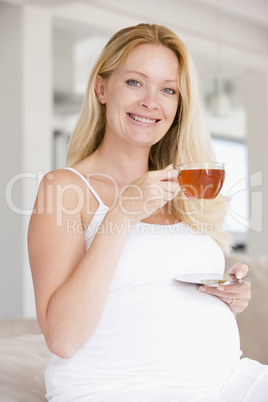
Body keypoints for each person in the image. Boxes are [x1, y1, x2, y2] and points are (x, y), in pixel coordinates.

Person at [28, 23, 268, 401]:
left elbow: (152, 293)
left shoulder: (185, 187)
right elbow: (63, 338)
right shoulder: (65, 188)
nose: (151, 102)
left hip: (225, 381)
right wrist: (121, 214)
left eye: (168, 90)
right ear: (102, 88)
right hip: (120, 388)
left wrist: (226, 294)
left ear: (178, 105)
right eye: (136, 83)